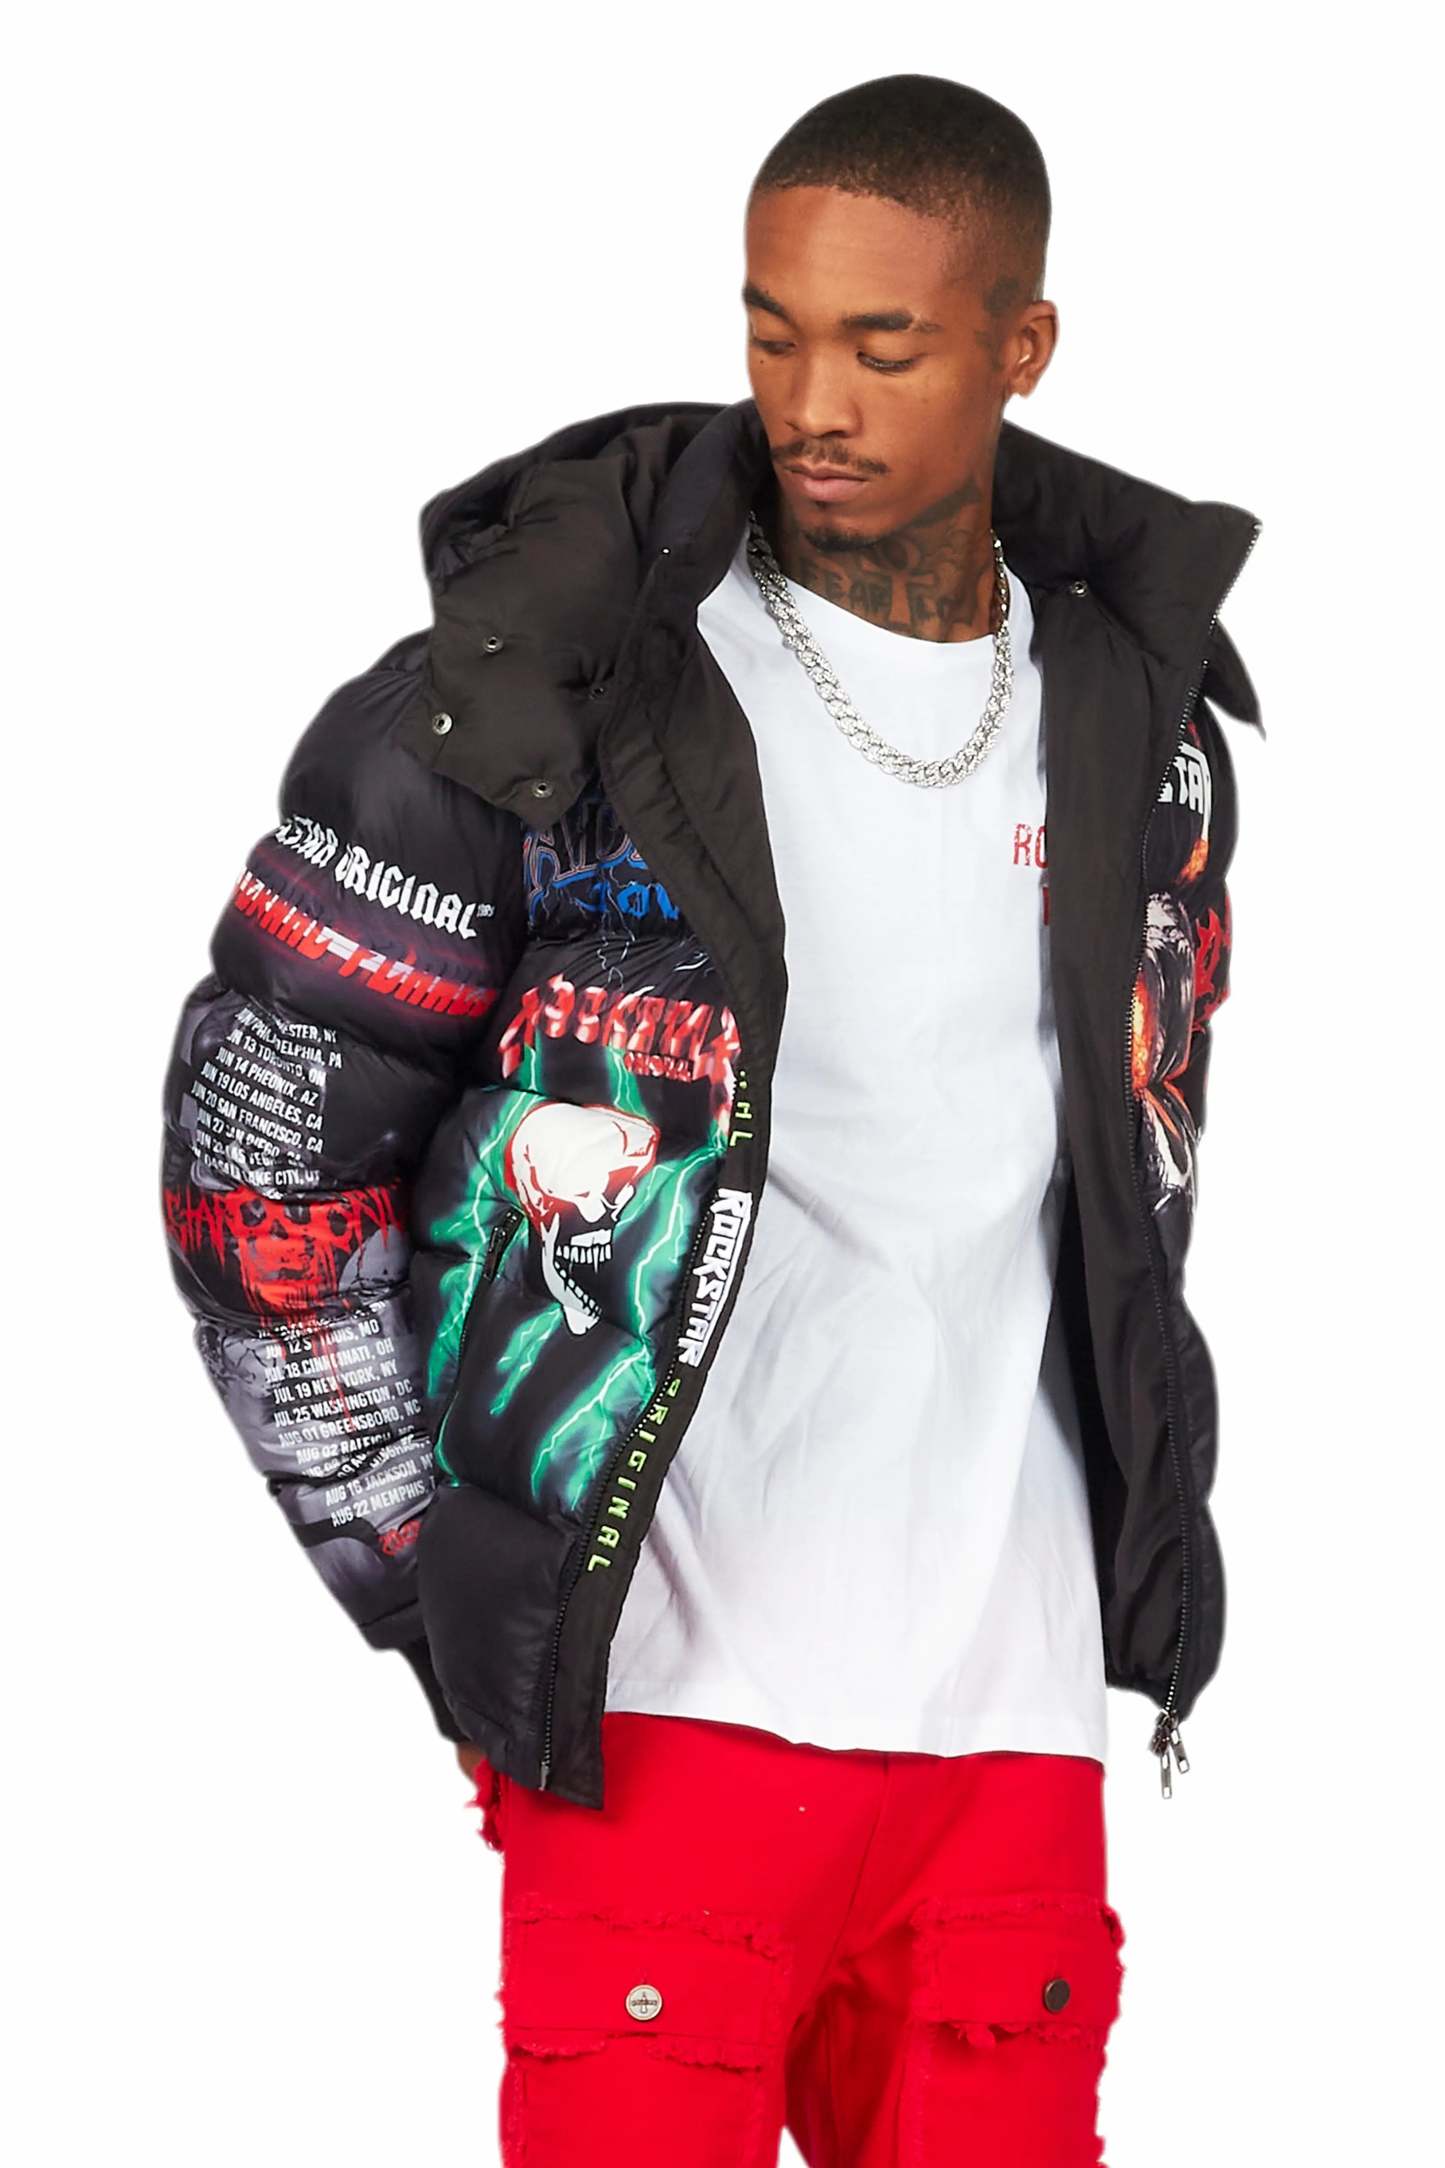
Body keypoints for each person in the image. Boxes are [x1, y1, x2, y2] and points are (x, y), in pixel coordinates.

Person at [159, 71, 1262, 2168]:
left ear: (1023, 344)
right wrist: (442, 1577)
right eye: (773, 332)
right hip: (664, 1709)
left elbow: (1122, 1186)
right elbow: (257, 1162)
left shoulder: (1145, 728)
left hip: (1014, 1726)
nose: (811, 403)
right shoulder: (537, 693)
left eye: (884, 346)